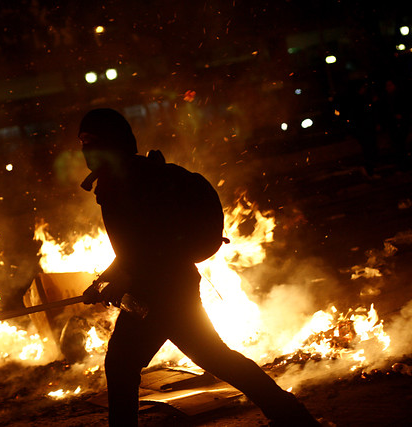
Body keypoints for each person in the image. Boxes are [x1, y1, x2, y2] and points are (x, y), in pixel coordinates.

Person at [78, 108, 319, 426]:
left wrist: (121, 284)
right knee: (212, 356)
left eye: (91, 141)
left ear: (112, 143)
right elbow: (131, 249)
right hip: (166, 287)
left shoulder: (131, 183)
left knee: (124, 363)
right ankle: (291, 415)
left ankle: (291, 415)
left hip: (161, 292)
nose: (85, 150)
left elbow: (150, 247)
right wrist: (105, 280)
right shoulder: (123, 179)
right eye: (83, 142)